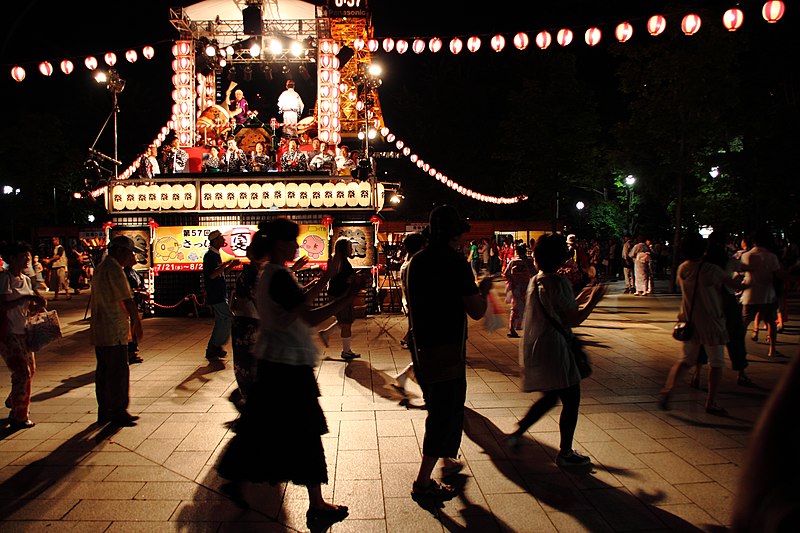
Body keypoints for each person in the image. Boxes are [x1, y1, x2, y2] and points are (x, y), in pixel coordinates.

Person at [216, 219, 360, 529]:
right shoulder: (278, 275)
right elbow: (309, 316)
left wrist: (326, 278)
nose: (297, 247)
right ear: (280, 244)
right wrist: (348, 297)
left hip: (275, 362)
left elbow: (299, 302)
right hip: (288, 367)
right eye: (293, 242)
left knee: (260, 426)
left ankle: (237, 478)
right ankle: (317, 505)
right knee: (305, 432)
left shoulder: (272, 273)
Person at [406, 205, 493, 500]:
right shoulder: (455, 263)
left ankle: (444, 460)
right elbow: (477, 310)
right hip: (446, 349)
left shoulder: (416, 262)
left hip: (422, 348)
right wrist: (485, 289)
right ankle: (422, 483)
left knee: (438, 410)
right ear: (455, 235)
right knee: (444, 413)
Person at [504, 234, 606, 466]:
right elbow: (573, 318)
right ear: (562, 258)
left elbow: (557, 307)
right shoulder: (558, 282)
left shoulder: (536, 280)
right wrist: (594, 301)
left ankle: (517, 434)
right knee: (571, 399)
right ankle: (565, 453)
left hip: (538, 345)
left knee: (550, 396)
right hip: (556, 348)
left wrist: (582, 295)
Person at [659, 232, 743, 415]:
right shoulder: (711, 269)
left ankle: (668, 390)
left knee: (686, 360)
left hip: (690, 321)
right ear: (702, 249)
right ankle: (711, 402)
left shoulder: (682, 269)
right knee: (717, 362)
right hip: (712, 322)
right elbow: (734, 286)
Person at [90, 235, 145, 427]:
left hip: (100, 329)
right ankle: (118, 410)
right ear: (120, 251)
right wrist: (137, 324)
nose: (132, 257)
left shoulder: (101, 268)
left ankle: (105, 410)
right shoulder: (114, 269)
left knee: (104, 372)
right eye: (130, 253)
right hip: (114, 328)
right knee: (118, 372)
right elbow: (127, 300)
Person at [0, 241, 47, 429]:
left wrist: (36, 304)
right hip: (8, 332)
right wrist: (26, 298)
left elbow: (25, 306)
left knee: (29, 370)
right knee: (22, 372)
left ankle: (15, 400)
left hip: (24, 331)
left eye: (28, 255)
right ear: (12, 258)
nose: (27, 259)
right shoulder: (5, 279)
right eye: (23, 256)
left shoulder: (26, 280)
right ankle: (19, 415)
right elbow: (3, 305)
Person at [739, 228, 782, 357]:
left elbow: (741, 272)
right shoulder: (771, 257)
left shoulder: (746, 256)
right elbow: (778, 274)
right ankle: (772, 349)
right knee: (771, 322)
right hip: (767, 294)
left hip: (750, 294)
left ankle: (741, 350)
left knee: (744, 324)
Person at [392, 232, 427, 394]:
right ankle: (424, 387)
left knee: (422, 349)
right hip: (418, 308)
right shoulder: (414, 264)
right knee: (425, 351)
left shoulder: (406, 264)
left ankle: (404, 377)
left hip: (411, 307)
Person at [318, 237, 361, 360]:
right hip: (341, 296)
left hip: (337, 295)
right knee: (346, 322)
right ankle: (346, 351)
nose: (351, 249)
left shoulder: (336, 260)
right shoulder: (342, 262)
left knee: (346, 320)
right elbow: (344, 280)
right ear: (344, 249)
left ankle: (325, 333)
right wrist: (353, 278)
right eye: (349, 247)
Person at [203, 229, 240, 360]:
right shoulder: (209, 256)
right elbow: (212, 275)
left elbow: (220, 273)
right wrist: (226, 265)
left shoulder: (216, 254)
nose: (223, 240)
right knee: (228, 318)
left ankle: (215, 348)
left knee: (221, 320)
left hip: (219, 293)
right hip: (215, 293)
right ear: (214, 241)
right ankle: (214, 346)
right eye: (221, 238)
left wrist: (230, 266)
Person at [503, 244, 536, 338]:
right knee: (529, 307)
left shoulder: (513, 261)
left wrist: (513, 279)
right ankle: (529, 329)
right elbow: (534, 272)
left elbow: (506, 273)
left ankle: (512, 329)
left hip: (516, 286)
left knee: (515, 307)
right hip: (527, 286)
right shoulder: (529, 261)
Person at [124, 264, 146, 364]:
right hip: (131, 304)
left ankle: (132, 352)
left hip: (137, 302)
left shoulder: (134, 272)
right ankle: (129, 353)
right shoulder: (124, 273)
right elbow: (127, 291)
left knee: (134, 330)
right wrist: (138, 293)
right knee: (130, 329)